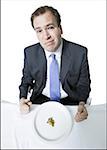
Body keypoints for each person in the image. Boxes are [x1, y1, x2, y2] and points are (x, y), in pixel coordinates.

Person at [19, 6, 91, 122]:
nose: (46, 36)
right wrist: (22, 98)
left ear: (60, 29)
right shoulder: (30, 53)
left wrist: (82, 103)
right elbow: (26, 81)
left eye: (50, 27)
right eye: (39, 30)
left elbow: (83, 84)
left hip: (70, 102)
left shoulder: (79, 52)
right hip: (40, 101)